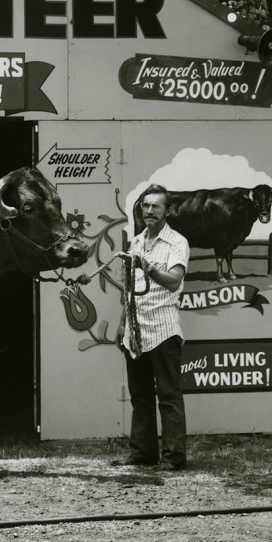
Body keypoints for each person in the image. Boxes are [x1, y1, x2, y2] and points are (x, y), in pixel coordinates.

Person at [118, 183, 189, 470]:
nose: (149, 211)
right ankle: (142, 454)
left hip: (163, 329)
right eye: (145, 206)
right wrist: (123, 324)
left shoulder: (177, 243)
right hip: (136, 331)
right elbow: (129, 287)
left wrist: (149, 268)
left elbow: (174, 281)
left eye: (155, 206)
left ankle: (173, 458)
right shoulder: (135, 242)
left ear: (167, 210)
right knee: (140, 395)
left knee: (169, 396)